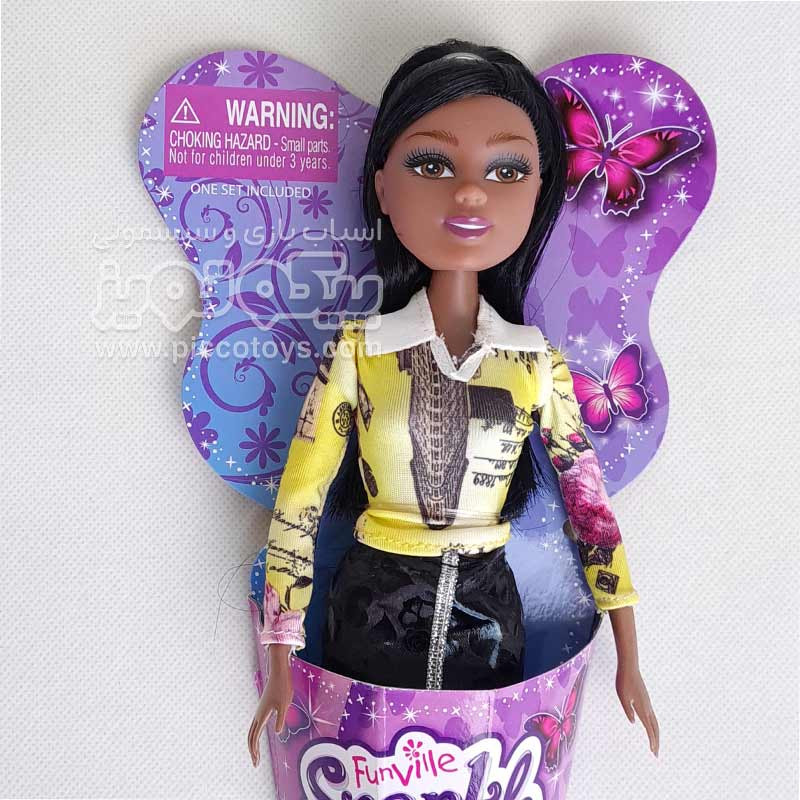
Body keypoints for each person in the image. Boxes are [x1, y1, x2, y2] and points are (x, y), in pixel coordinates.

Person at [248, 39, 659, 767]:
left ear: (538, 193)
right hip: (372, 600)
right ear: (383, 187)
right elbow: (301, 498)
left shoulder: (534, 362)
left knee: (482, 764)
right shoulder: (363, 350)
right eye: (432, 164)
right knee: (373, 765)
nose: (470, 194)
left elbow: (590, 509)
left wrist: (628, 651)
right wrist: (281, 652)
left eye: (507, 171)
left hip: (489, 608)